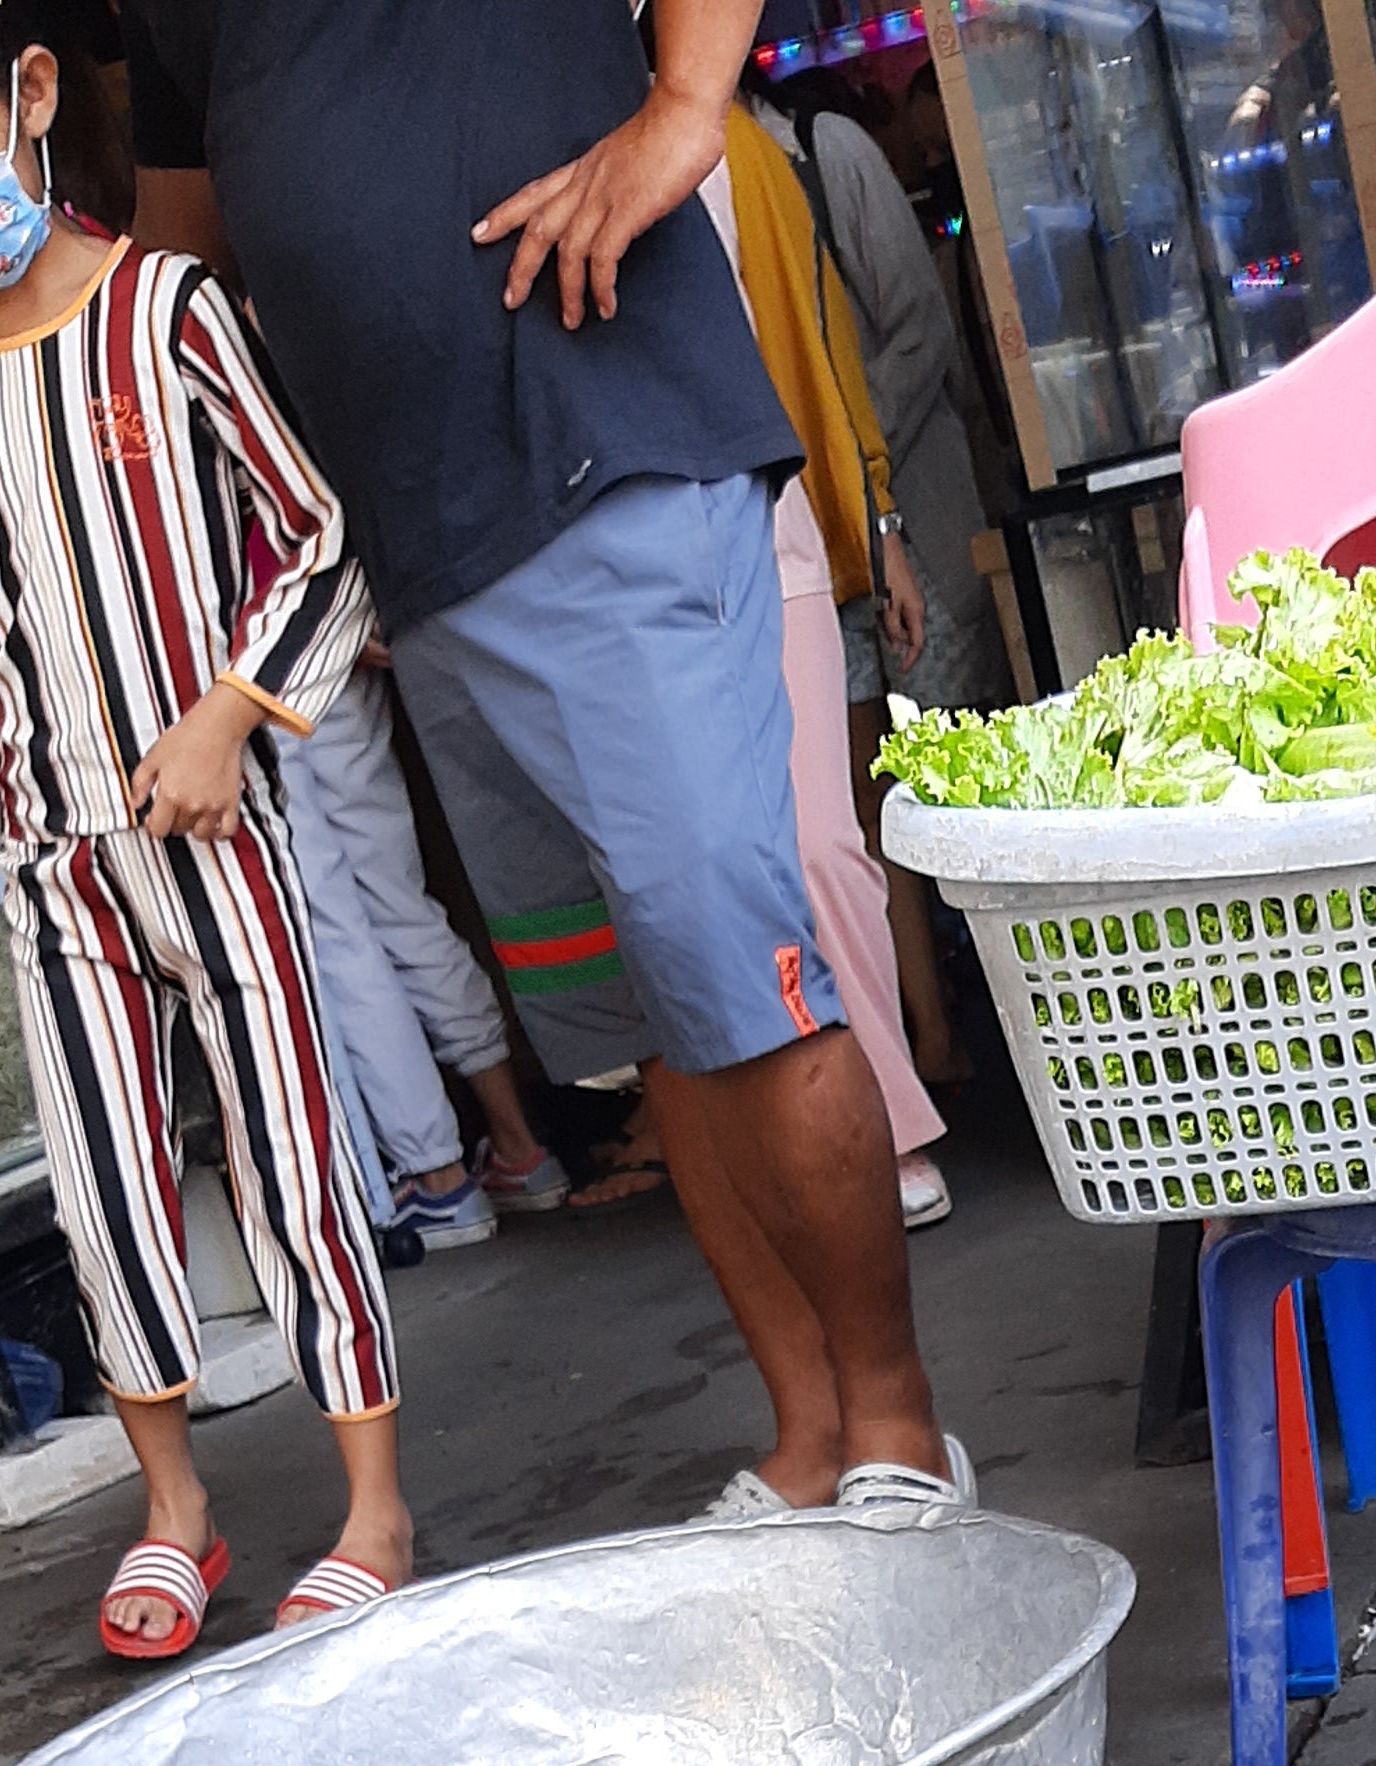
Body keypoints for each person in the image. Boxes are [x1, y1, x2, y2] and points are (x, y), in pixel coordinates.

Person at [119, 0, 969, 1522]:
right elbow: (185, 261)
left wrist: (686, 107)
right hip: (423, 558)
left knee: (744, 979)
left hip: (606, 446)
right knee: (651, 1019)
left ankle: (900, 1430)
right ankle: (805, 1436)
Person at [0, 0, 412, 1659]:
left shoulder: (173, 310)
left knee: (289, 1164)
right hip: (52, 852)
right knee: (100, 1191)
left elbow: (325, 538)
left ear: (32, 97)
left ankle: (374, 1510)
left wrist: (229, 713)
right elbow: (7, 584)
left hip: (217, 842)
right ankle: (179, 1514)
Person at [708, 95, 950, 1238]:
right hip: (640, 533)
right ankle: (806, 1138)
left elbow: (833, 353)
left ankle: (897, 1118)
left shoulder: (761, 150)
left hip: (783, 512)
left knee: (827, 838)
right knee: (720, 864)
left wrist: (878, 513)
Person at [764, 81, 1008, 1087]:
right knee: (875, 800)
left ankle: (1000, 1017)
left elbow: (921, 334)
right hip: (823, 542)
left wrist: (851, 475)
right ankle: (935, 1037)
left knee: (963, 758)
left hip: (912, 511)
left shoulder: (825, 152)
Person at [274, 649, 570, 1245]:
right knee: (400, 900)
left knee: (332, 926)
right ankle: (518, 1146)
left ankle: (439, 1178)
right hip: (326, 642)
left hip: (235, 665)